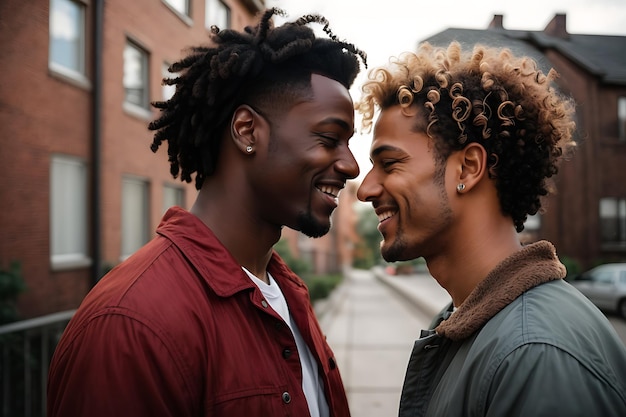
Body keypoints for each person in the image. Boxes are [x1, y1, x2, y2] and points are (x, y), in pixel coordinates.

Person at [47, 8, 366, 417]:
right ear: (248, 131)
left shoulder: (287, 295)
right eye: (329, 138)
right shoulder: (131, 324)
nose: (351, 166)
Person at [356, 41, 626, 416]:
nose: (366, 189)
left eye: (389, 163)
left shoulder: (534, 354)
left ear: (467, 168)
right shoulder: (471, 323)